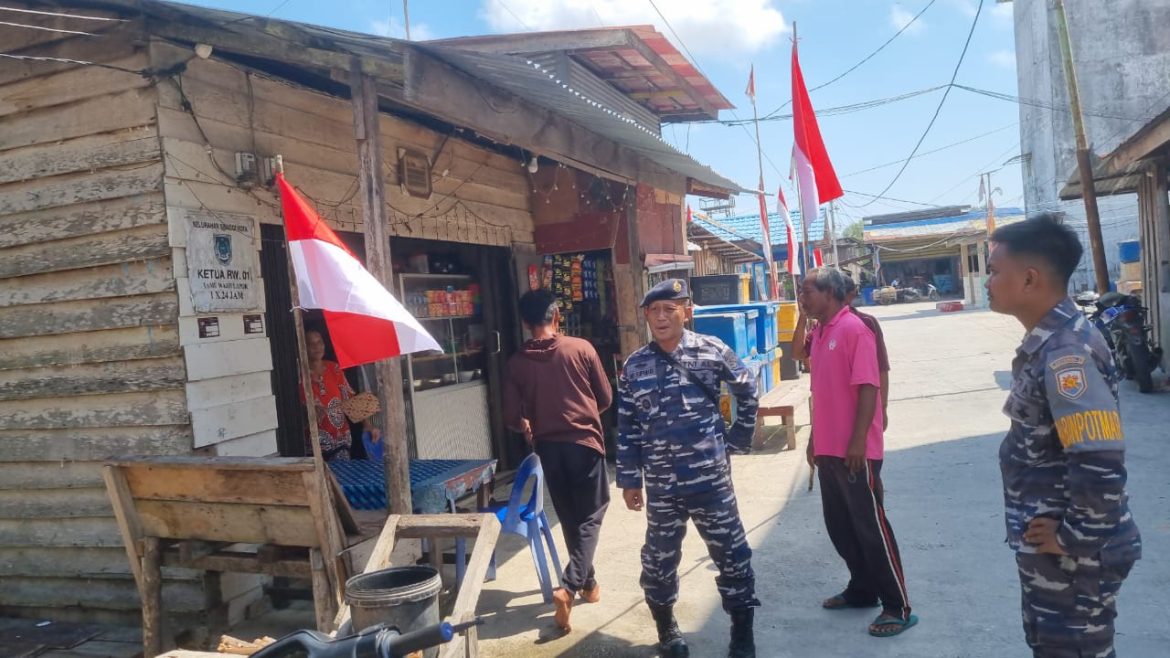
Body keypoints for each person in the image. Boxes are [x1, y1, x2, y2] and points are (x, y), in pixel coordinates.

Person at [987, 214, 1141, 658]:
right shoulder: (1052, 341)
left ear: (1030, 278)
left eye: (996, 271)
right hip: (1056, 552)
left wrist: (1072, 537)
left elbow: (1100, 460)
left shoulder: (1065, 353)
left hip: (1075, 558)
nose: (989, 281)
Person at [617, 278, 760, 658]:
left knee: (732, 555)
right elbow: (627, 425)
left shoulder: (711, 351)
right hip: (662, 487)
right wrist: (630, 480)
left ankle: (742, 636)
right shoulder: (634, 366)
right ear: (646, 315)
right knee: (659, 560)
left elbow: (747, 389)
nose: (661, 318)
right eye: (654, 311)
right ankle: (668, 632)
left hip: (711, 482)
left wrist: (736, 441)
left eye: (670, 309)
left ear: (686, 311)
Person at [799, 267, 916, 638]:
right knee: (840, 527)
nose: (802, 298)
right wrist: (815, 437)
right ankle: (862, 589)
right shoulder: (819, 333)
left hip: (855, 452)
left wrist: (857, 442)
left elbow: (869, 388)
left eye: (807, 291)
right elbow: (822, 391)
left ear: (831, 292)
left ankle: (897, 606)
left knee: (870, 528)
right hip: (829, 447)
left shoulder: (854, 329)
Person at [502, 289, 613, 633]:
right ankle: (569, 586)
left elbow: (510, 417)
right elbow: (606, 398)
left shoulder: (517, 363)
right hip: (584, 443)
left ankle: (589, 585)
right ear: (556, 317)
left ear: (524, 322)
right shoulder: (581, 348)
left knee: (569, 516)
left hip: (548, 448)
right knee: (593, 513)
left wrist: (528, 423)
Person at [792, 275, 891, 429]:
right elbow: (798, 354)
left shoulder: (864, 323)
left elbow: (881, 369)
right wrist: (803, 317)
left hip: (860, 413)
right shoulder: (821, 327)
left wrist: (883, 407)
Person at [303, 328, 380, 462]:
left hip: (340, 442)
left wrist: (368, 425)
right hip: (312, 446)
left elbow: (349, 398)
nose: (317, 347)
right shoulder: (300, 375)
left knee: (341, 478)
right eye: (311, 344)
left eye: (319, 342)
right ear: (304, 347)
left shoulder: (333, 368)